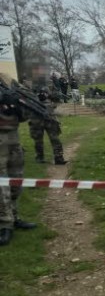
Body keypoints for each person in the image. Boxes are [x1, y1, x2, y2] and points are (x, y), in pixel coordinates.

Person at [0, 77, 36, 246]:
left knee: (16, 181)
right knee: (2, 186)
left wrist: (15, 105)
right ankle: (5, 224)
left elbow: (25, 114)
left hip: (14, 138)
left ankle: (14, 218)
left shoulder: (7, 81)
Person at [29, 86, 67, 165]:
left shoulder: (35, 98)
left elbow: (57, 104)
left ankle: (45, 158)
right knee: (45, 140)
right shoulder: (34, 99)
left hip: (46, 120)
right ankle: (55, 158)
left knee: (50, 140)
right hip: (43, 121)